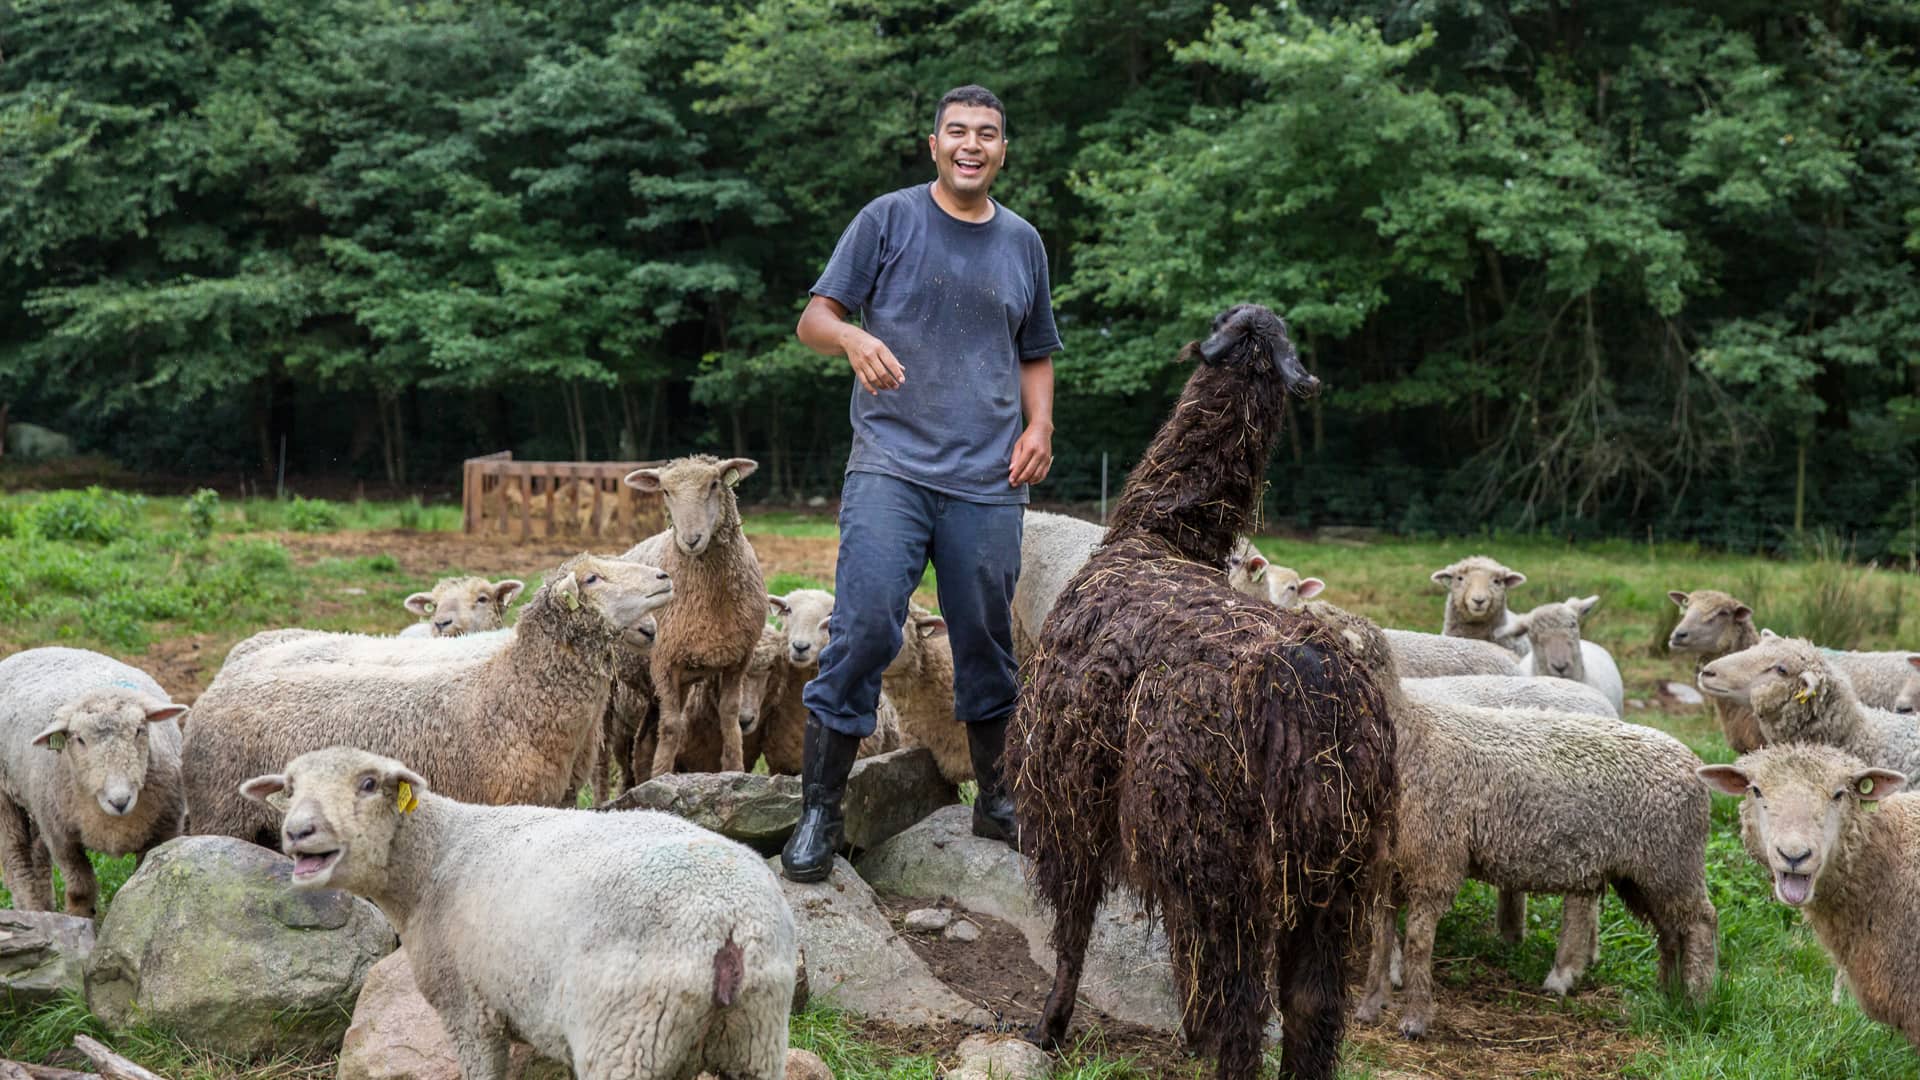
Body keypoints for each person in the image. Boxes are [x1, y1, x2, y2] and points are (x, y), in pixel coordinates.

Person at [782, 84, 1060, 883]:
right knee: (866, 626)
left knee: (984, 640)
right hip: (892, 465)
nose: (971, 144)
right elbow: (814, 319)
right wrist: (851, 338)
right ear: (933, 144)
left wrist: (1039, 427)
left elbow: (1035, 349)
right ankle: (819, 813)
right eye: (957, 132)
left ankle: (999, 799)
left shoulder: (1022, 244)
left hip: (987, 476)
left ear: (1003, 150)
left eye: (988, 134)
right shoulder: (888, 220)